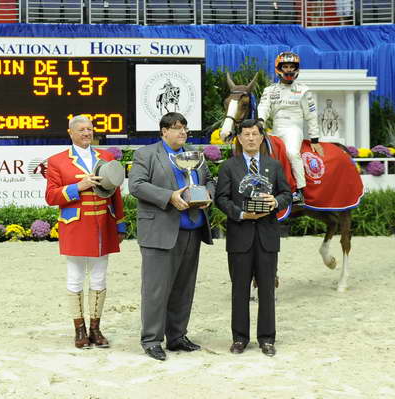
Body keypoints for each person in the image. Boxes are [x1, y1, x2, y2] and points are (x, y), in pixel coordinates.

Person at [128, 112, 214, 361]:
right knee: (156, 289)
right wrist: (169, 196)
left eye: (185, 128)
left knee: (183, 288)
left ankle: (177, 336)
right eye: (177, 128)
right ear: (163, 131)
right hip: (160, 232)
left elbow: (209, 181)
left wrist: (206, 194)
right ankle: (152, 340)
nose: (182, 132)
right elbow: (137, 185)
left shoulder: (194, 155)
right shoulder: (146, 154)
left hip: (192, 229)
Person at [45, 115, 126, 350]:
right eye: (81, 130)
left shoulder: (106, 157)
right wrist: (79, 187)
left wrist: (120, 223)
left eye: (89, 129)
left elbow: (116, 194)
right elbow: (51, 197)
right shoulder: (57, 161)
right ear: (70, 133)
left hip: (103, 225)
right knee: (75, 277)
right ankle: (79, 329)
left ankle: (96, 328)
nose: (86, 133)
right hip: (76, 226)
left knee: (100, 277)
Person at [214, 119, 292, 357]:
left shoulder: (275, 165)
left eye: (254, 134)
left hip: (267, 236)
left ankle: (267, 338)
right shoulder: (229, 166)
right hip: (240, 236)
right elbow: (221, 198)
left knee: (267, 289)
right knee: (239, 289)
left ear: (261, 138)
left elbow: (288, 193)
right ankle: (239, 338)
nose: (250, 138)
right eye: (246, 134)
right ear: (239, 138)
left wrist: (276, 202)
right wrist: (240, 213)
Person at [257, 51, 324, 204]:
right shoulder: (270, 90)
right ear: (278, 68)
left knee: (292, 153)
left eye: (291, 66)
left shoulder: (304, 90)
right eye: (285, 66)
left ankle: (300, 191)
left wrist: (315, 139)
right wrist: (260, 122)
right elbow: (263, 108)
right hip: (275, 130)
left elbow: (311, 116)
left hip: (294, 129)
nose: (288, 70)